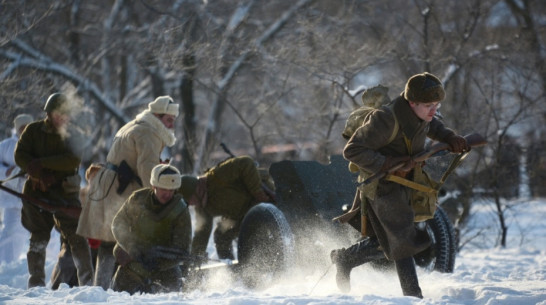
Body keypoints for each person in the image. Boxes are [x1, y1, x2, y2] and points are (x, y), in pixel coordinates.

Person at [330, 72, 469, 298]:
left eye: (437, 104)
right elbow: (352, 150)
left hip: (407, 182)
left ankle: (345, 258)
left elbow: (433, 125)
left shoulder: (421, 114)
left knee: (389, 240)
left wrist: (450, 137)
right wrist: (387, 163)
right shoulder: (386, 119)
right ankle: (413, 296)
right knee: (402, 239)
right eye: (428, 105)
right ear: (411, 102)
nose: (433, 110)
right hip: (382, 186)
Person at [77, 96, 179, 290]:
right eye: (168, 120)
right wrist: (160, 198)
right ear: (157, 116)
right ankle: (112, 290)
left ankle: (102, 289)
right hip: (119, 189)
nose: (172, 124)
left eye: (173, 120)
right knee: (122, 239)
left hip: (110, 186)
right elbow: (148, 171)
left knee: (110, 241)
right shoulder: (149, 133)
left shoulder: (138, 125)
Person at [14, 93, 94, 288]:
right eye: (58, 113)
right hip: (37, 192)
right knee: (38, 239)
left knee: (77, 238)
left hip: (65, 194)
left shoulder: (75, 134)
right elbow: (20, 154)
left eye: (65, 114)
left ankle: (88, 284)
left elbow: (72, 160)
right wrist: (35, 171)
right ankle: (36, 285)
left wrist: (41, 164)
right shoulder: (33, 131)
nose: (62, 117)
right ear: (49, 113)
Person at [110, 164, 192, 294]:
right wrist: (132, 247)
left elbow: (182, 250)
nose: (168, 194)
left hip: (166, 271)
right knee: (117, 297)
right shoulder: (138, 199)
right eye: (164, 189)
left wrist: (156, 261)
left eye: (172, 190)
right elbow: (118, 223)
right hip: (133, 265)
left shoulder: (180, 211)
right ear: (154, 186)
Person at [179, 155, 274, 260]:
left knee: (251, 237)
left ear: (195, 191)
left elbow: (246, 163)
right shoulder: (202, 206)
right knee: (221, 236)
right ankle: (233, 269)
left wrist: (258, 193)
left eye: (189, 200)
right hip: (240, 215)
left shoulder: (217, 176)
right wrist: (194, 258)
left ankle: (262, 263)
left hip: (261, 200)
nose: (191, 205)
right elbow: (202, 233)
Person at [0, 114, 33, 264]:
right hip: (12, 200)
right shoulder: (6, 146)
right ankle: (6, 267)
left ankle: (50, 266)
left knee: (48, 234)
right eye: (22, 127)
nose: (25, 130)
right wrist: (8, 172)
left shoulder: (37, 144)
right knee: (11, 234)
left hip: (35, 199)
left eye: (28, 127)